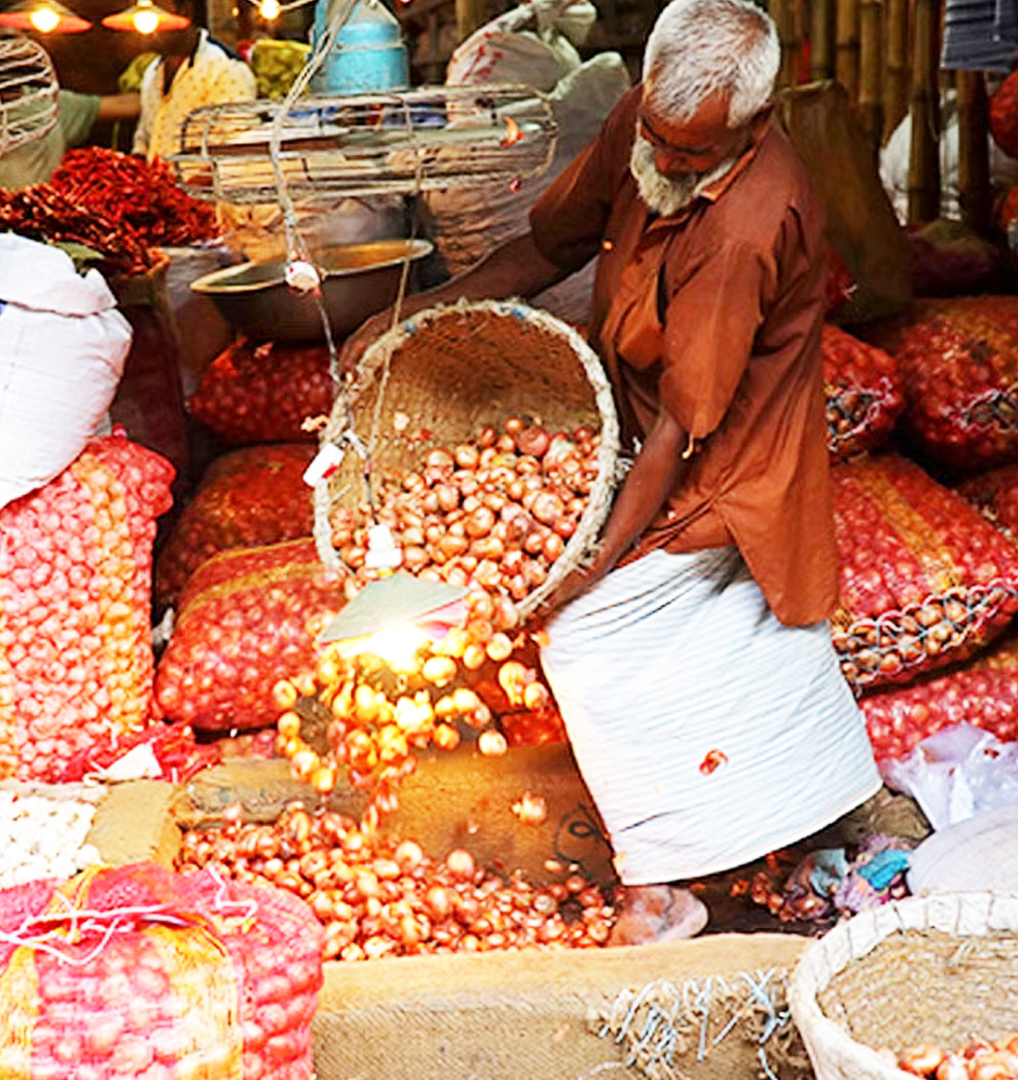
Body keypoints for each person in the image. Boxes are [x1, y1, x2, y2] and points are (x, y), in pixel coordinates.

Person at [343, 0, 882, 946]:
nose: (665, 162)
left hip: (729, 456)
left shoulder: (748, 227)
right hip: (628, 416)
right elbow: (549, 246)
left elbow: (685, 427)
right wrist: (418, 314)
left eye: (689, 153)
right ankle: (802, 809)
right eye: (659, 137)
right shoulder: (646, 122)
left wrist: (591, 565)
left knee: (592, 634)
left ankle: (666, 884)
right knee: (689, 631)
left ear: (751, 129)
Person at [0, 17, 142, 224]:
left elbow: (125, 106)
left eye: (8, 39)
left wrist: (158, 75)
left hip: (37, 238)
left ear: (30, 47)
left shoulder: (49, 103)